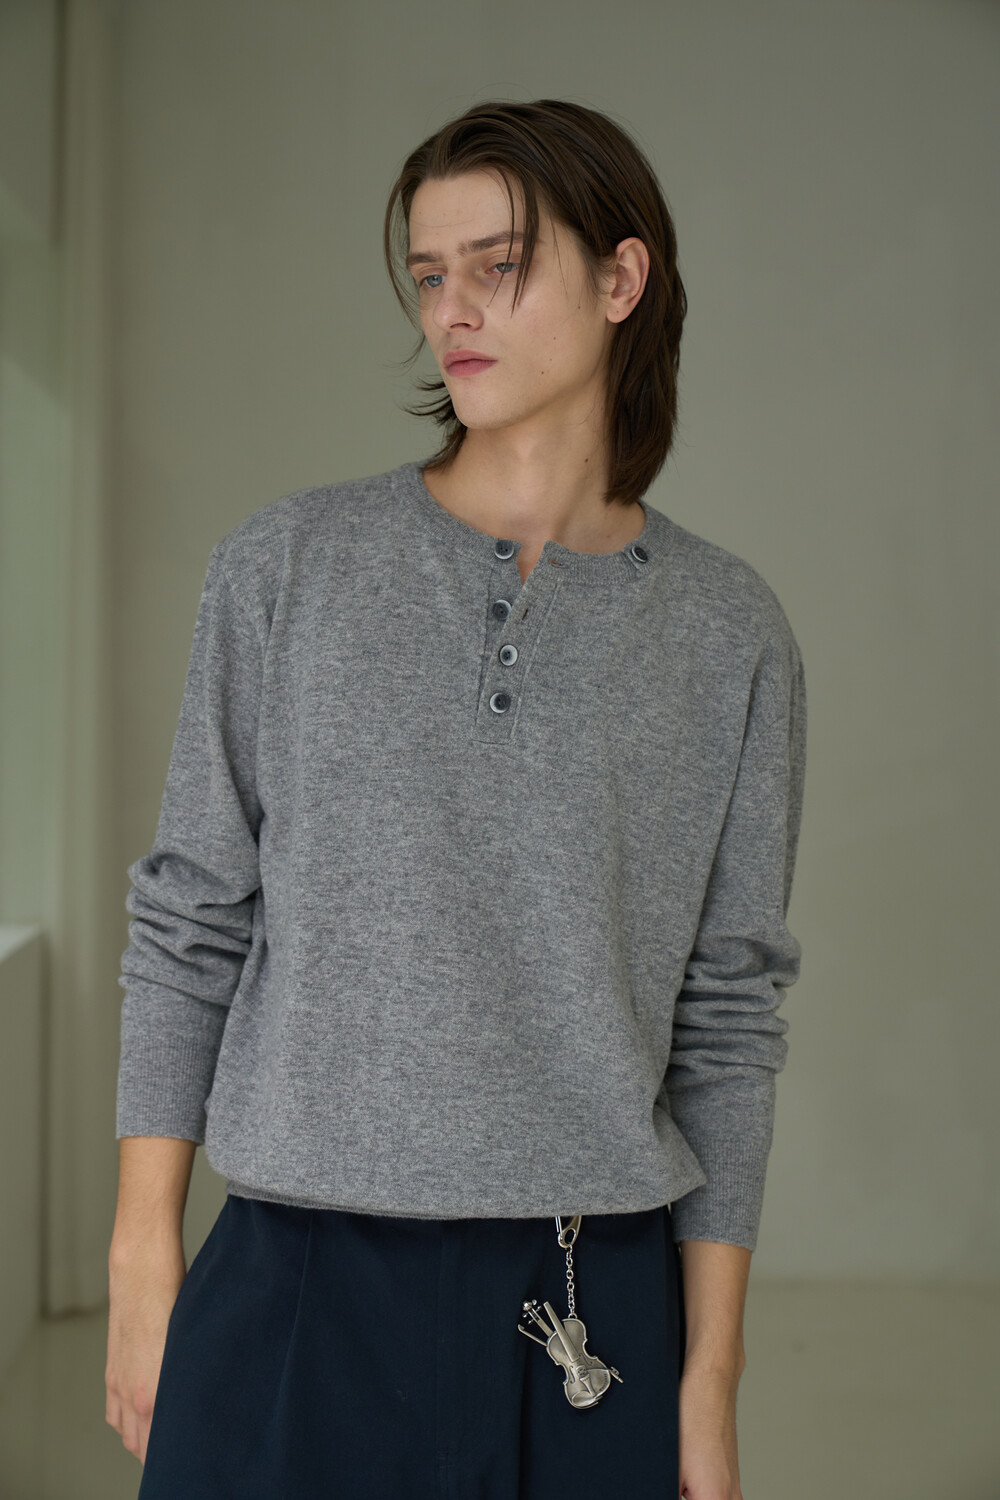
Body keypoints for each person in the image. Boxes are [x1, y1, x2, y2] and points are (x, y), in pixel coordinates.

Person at [105, 97, 807, 1500]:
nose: (453, 311)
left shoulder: (729, 634)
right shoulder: (286, 569)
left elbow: (728, 1014)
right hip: (294, 1277)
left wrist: (711, 1375)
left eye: (501, 266)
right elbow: (190, 923)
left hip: (586, 1303)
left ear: (622, 279)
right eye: (431, 275)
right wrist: (141, 1255)